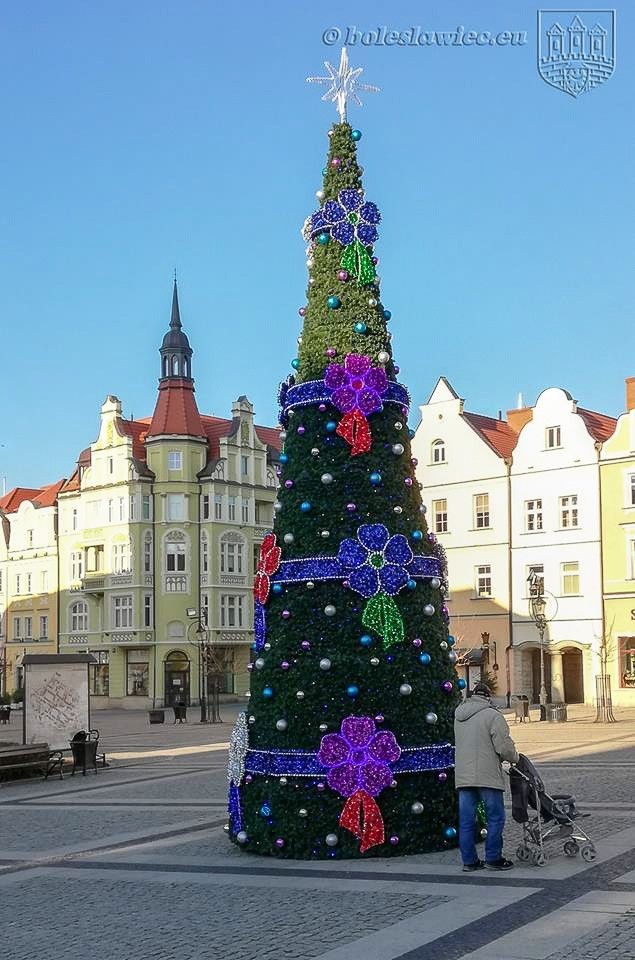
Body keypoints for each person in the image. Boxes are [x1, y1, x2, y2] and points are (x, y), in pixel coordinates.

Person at [454, 681, 519, 871]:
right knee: (495, 817)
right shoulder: (493, 716)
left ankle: (470, 862)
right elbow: (503, 747)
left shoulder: (458, 716)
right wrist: (514, 757)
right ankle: (493, 858)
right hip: (487, 775)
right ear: (488, 697)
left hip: (464, 777)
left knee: (466, 821)